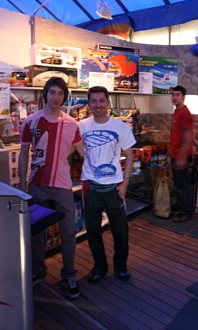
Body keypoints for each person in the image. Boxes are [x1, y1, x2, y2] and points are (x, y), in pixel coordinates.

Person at [18, 76, 84, 299]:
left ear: (65, 97)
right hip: (37, 185)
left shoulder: (72, 124)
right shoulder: (30, 122)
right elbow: (23, 155)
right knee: (36, 233)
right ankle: (39, 272)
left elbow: (82, 152)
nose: (56, 97)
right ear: (45, 94)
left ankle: (69, 275)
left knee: (68, 233)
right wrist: (22, 186)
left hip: (63, 185)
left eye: (60, 93)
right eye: (52, 92)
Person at [79, 86, 135, 284]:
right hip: (90, 186)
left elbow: (130, 155)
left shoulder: (120, 126)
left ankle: (121, 266)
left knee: (120, 231)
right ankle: (99, 267)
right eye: (93, 101)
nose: (98, 105)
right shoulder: (81, 126)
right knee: (93, 231)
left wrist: (125, 183)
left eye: (101, 101)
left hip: (114, 187)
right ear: (88, 103)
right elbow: (74, 148)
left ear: (107, 102)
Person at [169, 85, 195, 223]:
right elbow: (177, 133)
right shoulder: (177, 111)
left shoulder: (184, 113)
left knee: (183, 185)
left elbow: (188, 136)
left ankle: (186, 212)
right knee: (178, 184)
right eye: (173, 95)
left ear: (183, 97)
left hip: (181, 156)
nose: (174, 97)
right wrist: (171, 148)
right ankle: (181, 207)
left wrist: (182, 157)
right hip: (175, 154)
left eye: (177, 95)